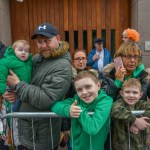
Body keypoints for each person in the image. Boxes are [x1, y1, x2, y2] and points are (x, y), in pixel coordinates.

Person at [3, 23, 72, 150]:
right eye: (40, 42)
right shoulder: (36, 58)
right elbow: (22, 79)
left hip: (42, 135)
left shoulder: (63, 66)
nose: (43, 45)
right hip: (29, 129)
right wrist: (10, 92)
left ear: (58, 38)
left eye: (47, 41)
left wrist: (18, 85)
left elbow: (45, 98)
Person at [50, 70, 113, 150]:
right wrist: (68, 110)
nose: (84, 92)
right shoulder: (76, 99)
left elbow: (93, 128)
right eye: (79, 90)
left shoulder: (105, 101)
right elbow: (54, 105)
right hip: (75, 147)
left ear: (98, 85)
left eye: (88, 87)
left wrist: (79, 110)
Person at [111, 78, 150, 150]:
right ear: (121, 93)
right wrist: (135, 120)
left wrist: (138, 123)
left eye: (135, 92)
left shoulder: (143, 104)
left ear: (140, 95)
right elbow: (115, 110)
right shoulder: (118, 103)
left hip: (140, 146)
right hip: (122, 147)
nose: (131, 95)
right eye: (127, 92)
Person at [0, 40, 32, 112]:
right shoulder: (7, 60)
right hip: (12, 90)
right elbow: (1, 75)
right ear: (13, 50)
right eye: (20, 50)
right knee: (12, 108)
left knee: (22, 109)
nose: (23, 52)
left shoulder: (29, 61)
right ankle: (9, 121)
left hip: (25, 90)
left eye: (26, 51)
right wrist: (2, 91)